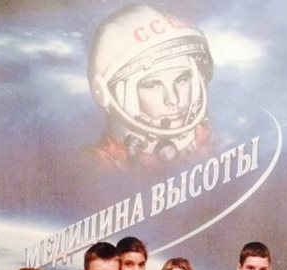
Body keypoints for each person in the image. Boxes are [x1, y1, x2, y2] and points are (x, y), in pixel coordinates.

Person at [84, 4, 213, 170]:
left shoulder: (208, 143)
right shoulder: (97, 168)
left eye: (182, 80)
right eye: (153, 85)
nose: (173, 99)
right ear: (108, 94)